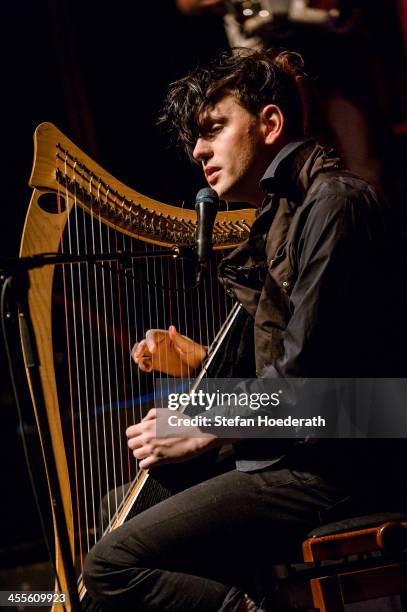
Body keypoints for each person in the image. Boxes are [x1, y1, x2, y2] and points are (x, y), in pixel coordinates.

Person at [83, 48, 406, 611]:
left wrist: (200, 422)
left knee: (112, 563)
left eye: (213, 129)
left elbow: (312, 388)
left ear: (271, 123)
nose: (198, 151)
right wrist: (197, 359)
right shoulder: (281, 218)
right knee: (118, 504)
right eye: (195, 139)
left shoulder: (335, 206)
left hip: (343, 465)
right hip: (300, 452)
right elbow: (303, 361)